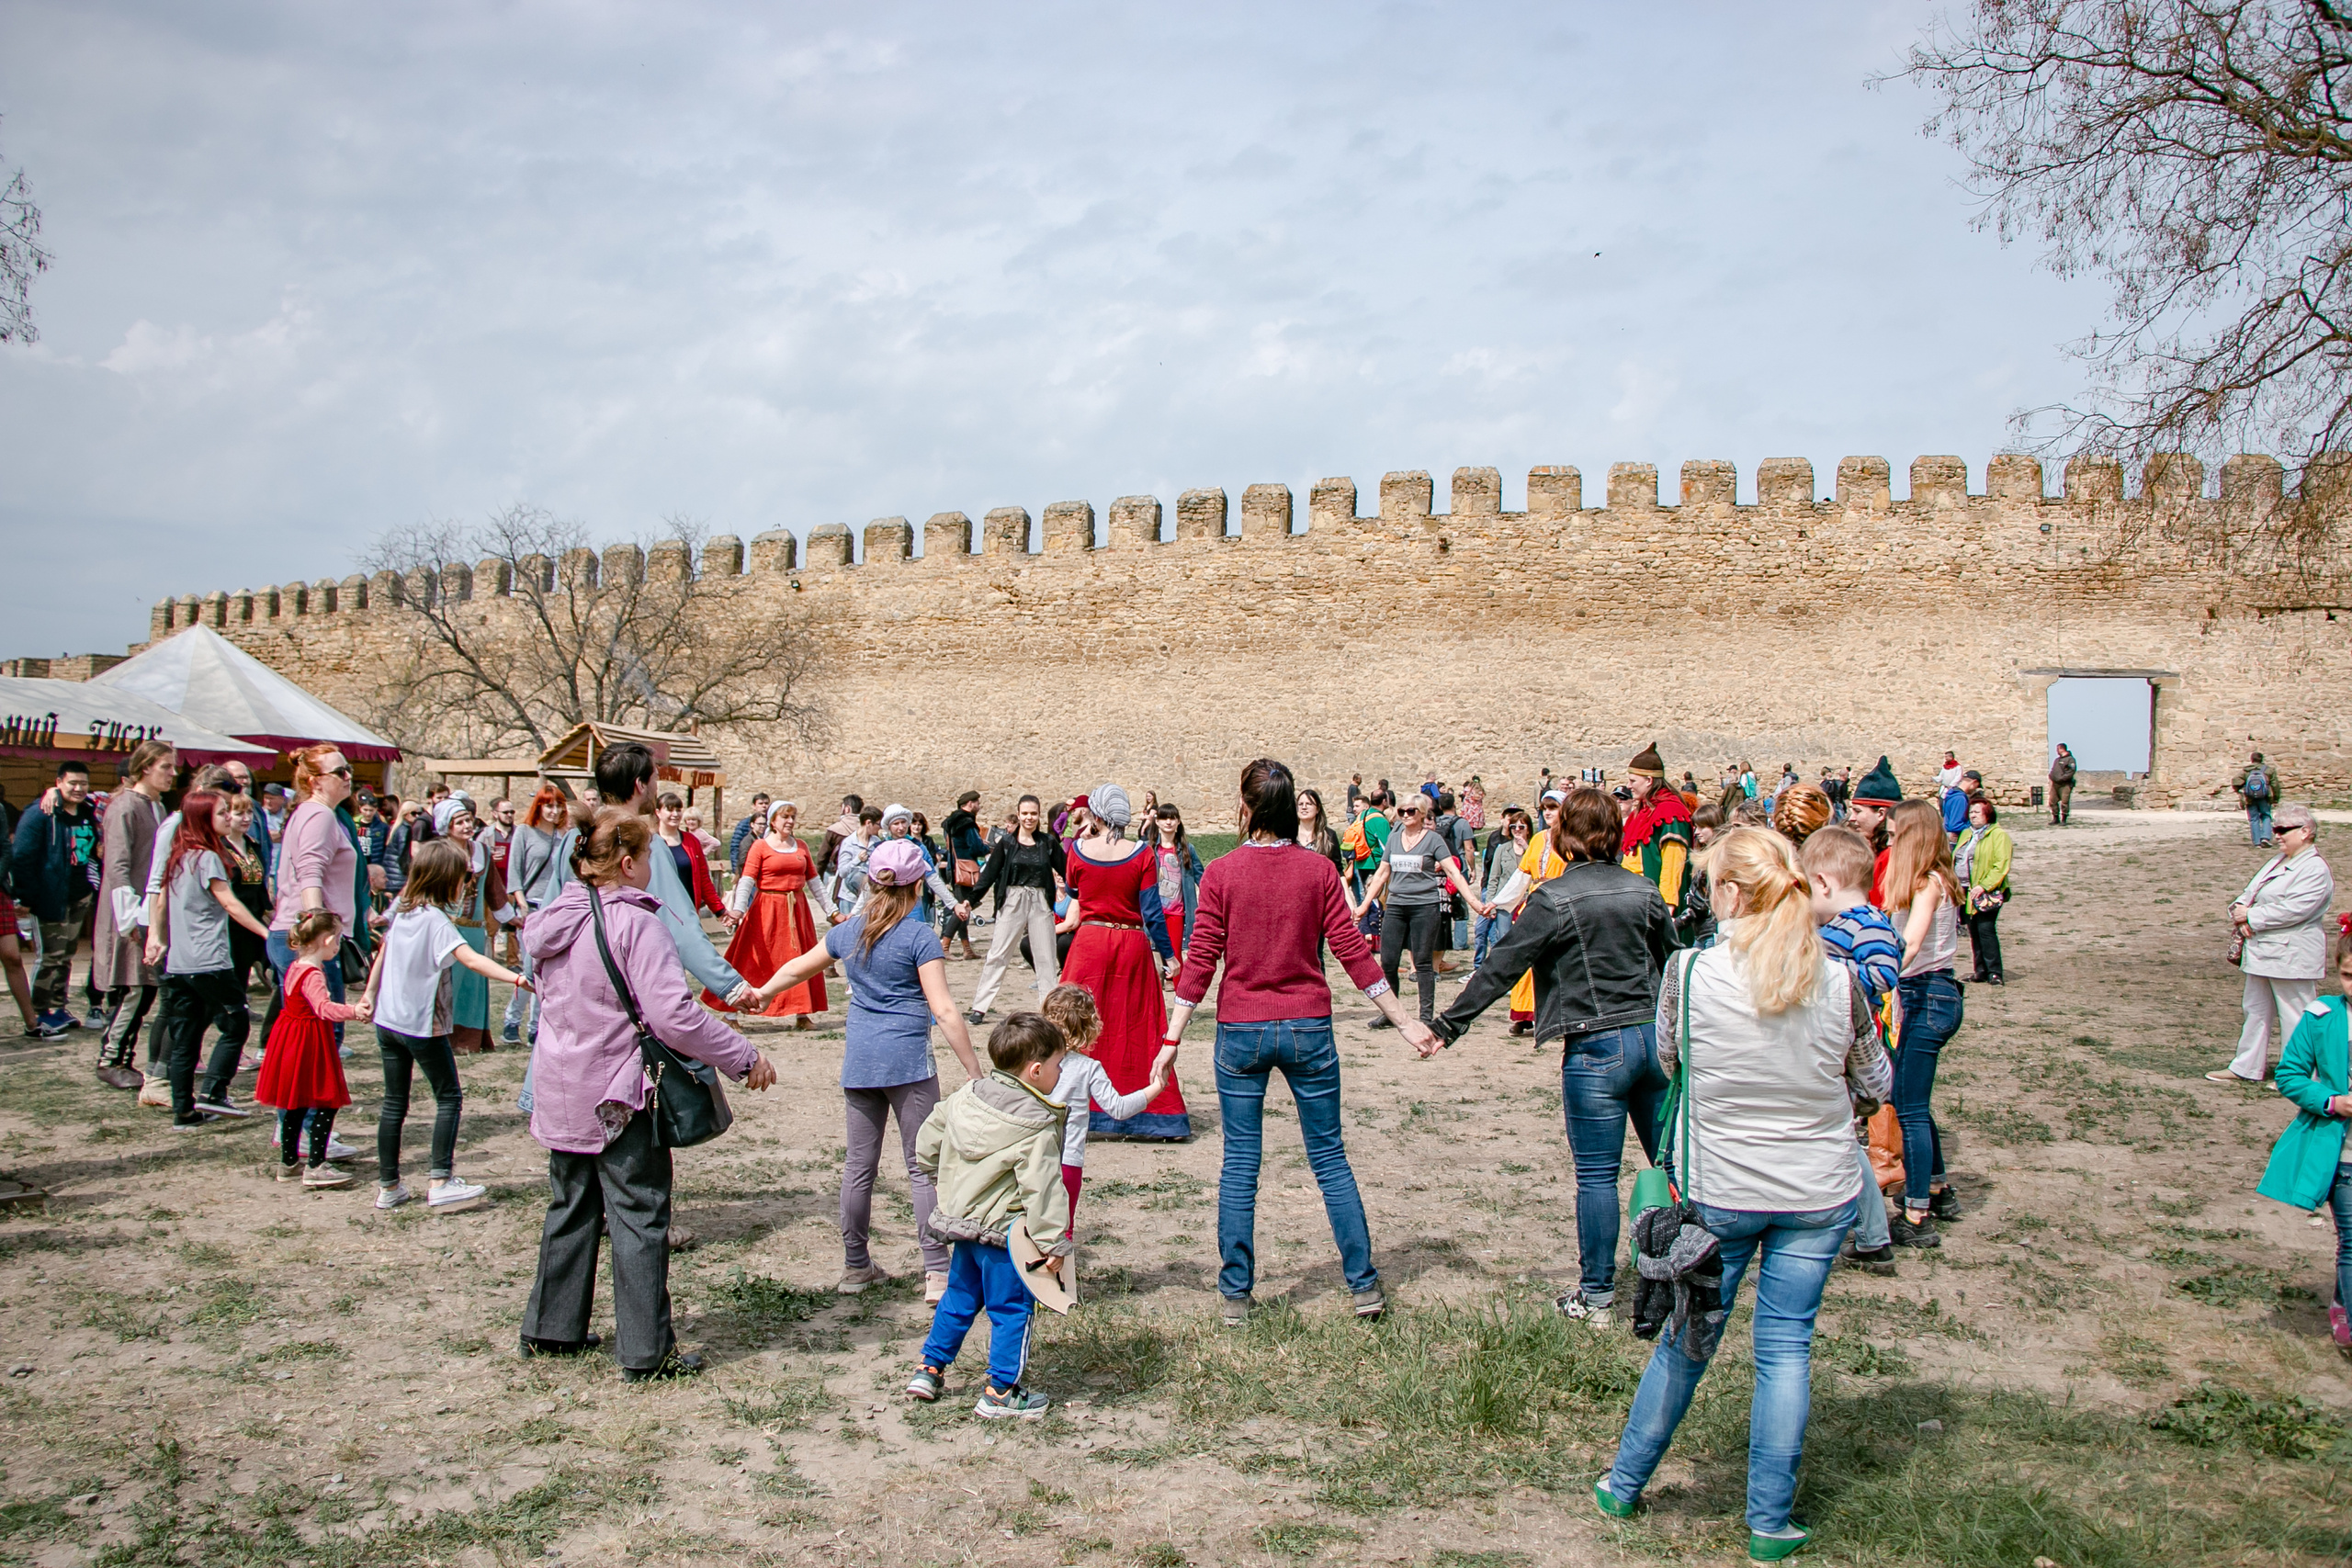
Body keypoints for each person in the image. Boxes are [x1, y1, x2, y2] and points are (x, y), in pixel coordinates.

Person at [1594, 828, 1892, 1562]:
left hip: (1722, 1183)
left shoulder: (1690, 974)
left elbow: (1671, 1058)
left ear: (1727, 894)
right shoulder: (1837, 977)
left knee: (1688, 1340)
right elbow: (1877, 1082)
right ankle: (1768, 1519)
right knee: (1785, 1350)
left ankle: (1624, 1480)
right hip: (1815, 1187)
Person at [1165, 759, 1440, 1325]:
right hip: (1308, 1028)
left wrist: (1172, 1035)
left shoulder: (1221, 873)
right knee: (1330, 1158)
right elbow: (1353, 954)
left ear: (1245, 809)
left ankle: (1237, 1294)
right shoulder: (1316, 872)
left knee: (1240, 1162)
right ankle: (1363, 1285)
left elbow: (1201, 962)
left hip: (1241, 1030)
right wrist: (1404, 1019)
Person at [520, 807, 775, 1382]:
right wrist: (742, 1054)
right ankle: (645, 1350)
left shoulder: (553, 918)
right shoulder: (636, 923)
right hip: (618, 1090)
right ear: (630, 861)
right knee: (638, 1213)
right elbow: (672, 1016)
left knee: (571, 1206)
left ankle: (550, 1329)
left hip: (561, 1084)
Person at [1432, 787, 1676, 1320]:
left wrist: (1450, 1024)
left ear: (1563, 837)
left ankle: (1597, 1295)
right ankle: (1688, 1275)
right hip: (1651, 1040)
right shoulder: (1645, 891)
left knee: (1597, 1177)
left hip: (1594, 1048)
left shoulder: (1553, 899)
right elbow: (1675, 965)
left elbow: (1502, 966)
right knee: (1674, 1167)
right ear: (1615, 832)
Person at [751, 838, 985, 1301]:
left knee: (858, 1168)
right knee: (922, 1169)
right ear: (917, 885)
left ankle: (855, 1265)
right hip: (908, 1066)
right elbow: (945, 1010)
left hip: (860, 1062)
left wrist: (761, 992)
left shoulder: (849, 931)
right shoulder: (918, 936)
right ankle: (937, 1272)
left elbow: (799, 967)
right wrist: (975, 1071)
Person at [904, 1011, 1074, 1420]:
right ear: (1035, 1070)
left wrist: (943, 1176)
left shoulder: (968, 1095)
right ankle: (1001, 1390)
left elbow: (926, 1143)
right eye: (1057, 1065)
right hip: (1005, 1237)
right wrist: (1053, 1242)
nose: (1061, 1071)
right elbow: (1044, 1189)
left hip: (963, 1228)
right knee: (1012, 1309)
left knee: (959, 1297)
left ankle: (929, 1368)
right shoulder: (1035, 1125)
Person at [364, 839, 526, 1212]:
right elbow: (470, 959)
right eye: (462, 879)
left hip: (388, 1023)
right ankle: (440, 1180)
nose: (466, 887)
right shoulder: (436, 921)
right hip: (422, 1026)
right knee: (449, 1098)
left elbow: (384, 953)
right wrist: (516, 979)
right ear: (445, 880)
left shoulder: (403, 911)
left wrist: (369, 996)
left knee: (394, 1103)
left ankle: (389, 1187)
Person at [1800, 826, 1903, 1275]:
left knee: (1840, 1140)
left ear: (1824, 883)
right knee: (1841, 1140)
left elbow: (1883, 971)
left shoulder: (1866, 922)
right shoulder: (1841, 925)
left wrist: (1832, 976)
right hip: (1835, 1042)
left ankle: (1866, 1233)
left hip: (1848, 1046)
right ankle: (1869, 1235)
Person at [1057, 784, 1183, 1138]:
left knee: (1076, 1022)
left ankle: (1070, 1104)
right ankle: (1151, 1109)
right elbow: (1152, 912)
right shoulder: (1142, 853)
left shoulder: (1078, 852)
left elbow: (1076, 894)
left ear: (1095, 814)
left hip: (1090, 942)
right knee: (1136, 1023)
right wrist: (1170, 955)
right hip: (1131, 944)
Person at [144, 789, 275, 1126]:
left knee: (186, 1035)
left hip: (179, 963)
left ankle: (183, 1110)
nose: (229, 818)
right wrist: (267, 935)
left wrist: (157, 939)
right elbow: (230, 903)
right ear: (203, 819)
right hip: (210, 961)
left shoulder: (178, 855)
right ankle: (214, 1092)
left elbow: (159, 900)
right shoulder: (207, 858)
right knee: (236, 1025)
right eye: (222, 813)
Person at [2256, 937, 2352, 1349]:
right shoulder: (2322, 1017)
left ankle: (2341, 1299)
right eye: (2349, 975)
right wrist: (2331, 1101)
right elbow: (2290, 1074)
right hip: (2343, 1153)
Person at [1883, 800, 1965, 1245]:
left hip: (1927, 994)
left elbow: (1911, 944)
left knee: (1908, 1105)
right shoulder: (1927, 881)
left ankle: (1916, 1215)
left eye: (1896, 836)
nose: (1891, 843)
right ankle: (1937, 1185)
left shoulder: (1929, 883)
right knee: (1913, 1097)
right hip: (1923, 994)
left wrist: (1875, 974)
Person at [2213, 803, 2334, 1085]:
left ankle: (2299, 1075)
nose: (2276, 835)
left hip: (2292, 952)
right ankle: (2246, 1066)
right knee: (2255, 1010)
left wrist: (2251, 917)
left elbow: (2297, 909)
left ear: (2305, 832)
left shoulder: (2315, 869)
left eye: (2282, 830)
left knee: (2296, 1013)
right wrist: (2240, 911)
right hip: (2262, 949)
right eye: (2275, 829)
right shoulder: (2278, 861)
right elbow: (2249, 892)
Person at [1038, 983, 1171, 1230]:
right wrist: (1156, 1087)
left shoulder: (1032, 1063)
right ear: (1088, 1027)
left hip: (1032, 1158)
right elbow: (1118, 1108)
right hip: (1067, 1161)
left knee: (1028, 1226)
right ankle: (1062, 1269)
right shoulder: (1088, 1068)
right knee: (1062, 1230)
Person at [256, 910, 372, 1187]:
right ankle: (316, 1165)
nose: (338, 946)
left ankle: (288, 1163)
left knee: (294, 1102)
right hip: (308, 1040)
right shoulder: (313, 974)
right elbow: (323, 1008)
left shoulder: (297, 965)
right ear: (328, 939)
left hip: (290, 1037)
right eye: (338, 940)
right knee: (325, 1100)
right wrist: (354, 1011)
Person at [1350, 794, 1485, 1029]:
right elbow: (1382, 873)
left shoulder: (1433, 840)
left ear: (1422, 813)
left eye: (1410, 811)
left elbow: (1453, 872)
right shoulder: (1394, 839)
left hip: (1425, 906)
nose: (1405, 815)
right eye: (1401, 811)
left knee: (1422, 963)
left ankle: (1425, 1016)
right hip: (1396, 906)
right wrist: (1363, 905)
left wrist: (1474, 903)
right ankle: (1392, 1014)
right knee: (1389, 961)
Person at [261, 745, 361, 1050]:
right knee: (322, 1038)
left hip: (295, 935)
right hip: (311, 938)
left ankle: (299, 1096)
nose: (348, 777)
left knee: (307, 1036)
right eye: (339, 772)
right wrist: (317, 934)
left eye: (349, 770)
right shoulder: (319, 815)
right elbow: (310, 872)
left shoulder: (313, 812)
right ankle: (309, 1098)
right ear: (315, 781)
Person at [93, 739, 175, 1089]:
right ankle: (110, 1059)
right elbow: (118, 865)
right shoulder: (125, 806)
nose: (173, 774)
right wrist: (131, 917)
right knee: (134, 988)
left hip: (149, 909)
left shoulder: (155, 806)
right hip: (128, 911)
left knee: (145, 989)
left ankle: (123, 1057)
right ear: (145, 768)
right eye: (166, 767)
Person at [712, 800, 827, 1027]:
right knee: (752, 959)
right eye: (785, 817)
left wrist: (831, 912)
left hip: (797, 911)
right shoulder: (761, 846)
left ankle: (802, 1013)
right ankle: (731, 1013)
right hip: (766, 910)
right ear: (774, 821)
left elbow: (814, 882)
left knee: (800, 961)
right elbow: (747, 880)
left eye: (793, 817)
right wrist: (738, 909)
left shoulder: (801, 846)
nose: (790, 821)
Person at [10, 761, 96, 1041]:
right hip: (50, 897)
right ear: (59, 782)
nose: (79, 788)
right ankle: (39, 1013)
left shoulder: (88, 810)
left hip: (79, 894)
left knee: (67, 956)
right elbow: (21, 856)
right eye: (72, 782)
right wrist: (28, 895)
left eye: (83, 783)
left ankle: (58, 1008)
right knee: (50, 957)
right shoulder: (41, 813)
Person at [965, 795, 1067, 1024]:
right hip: (1013, 899)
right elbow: (989, 873)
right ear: (1019, 815)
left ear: (1038, 815)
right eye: (1025, 813)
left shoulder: (1048, 844)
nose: (1029, 818)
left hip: (1040, 900)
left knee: (1046, 957)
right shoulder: (1008, 843)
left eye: (1033, 813)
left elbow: (1069, 870)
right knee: (998, 953)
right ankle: (980, 1006)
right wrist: (972, 899)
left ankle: (1048, 1009)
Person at [1488, 792, 1572, 1036]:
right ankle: (1524, 1014)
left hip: (1561, 902)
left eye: (1553, 808)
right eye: (1545, 808)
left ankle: (1558, 1017)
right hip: (1535, 902)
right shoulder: (1537, 840)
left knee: (1559, 962)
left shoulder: (1573, 839)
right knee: (1525, 960)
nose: (1548, 813)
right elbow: (1522, 876)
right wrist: (1498, 901)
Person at [439, 804, 518, 1054]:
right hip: (445, 930)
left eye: (468, 820)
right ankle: (442, 1038)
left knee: (471, 987)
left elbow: (494, 890)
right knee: (446, 985)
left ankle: (468, 1040)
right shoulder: (439, 852)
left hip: (474, 931)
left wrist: (510, 917)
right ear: (447, 826)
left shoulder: (482, 852)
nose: (466, 826)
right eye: (459, 822)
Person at [503, 785, 570, 1044]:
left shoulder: (564, 836)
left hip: (556, 907)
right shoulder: (524, 832)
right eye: (549, 805)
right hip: (531, 906)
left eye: (559, 805)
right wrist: (521, 905)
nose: (554, 811)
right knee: (529, 967)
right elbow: (514, 875)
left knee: (547, 971)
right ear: (539, 807)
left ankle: (536, 1026)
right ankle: (511, 1020)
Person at [1621, 743, 1696, 914]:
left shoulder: (1671, 813)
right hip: (1635, 899)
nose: (1629, 786)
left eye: (1633, 781)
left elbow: (1673, 863)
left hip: (1655, 905)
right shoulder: (1642, 810)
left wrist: (1666, 907)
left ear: (1649, 780)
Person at [1954, 798, 2012, 985]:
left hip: (1986, 892)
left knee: (1986, 930)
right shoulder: (1965, 834)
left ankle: (1994, 972)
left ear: (1988, 814)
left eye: (1977, 812)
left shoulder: (1998, 835)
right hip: (1965, 891)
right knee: (1973, 931)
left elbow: (2000, 865)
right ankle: (1980, 970)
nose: (1972, 815)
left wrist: (1984, 886)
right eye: (1971, 812)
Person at [1144, 803, 1204, 965]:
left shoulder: (1187, 850)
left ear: (1178, 822)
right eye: (1164, 818)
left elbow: (1202, 879)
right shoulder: (1147, 849)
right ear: (1157, 822)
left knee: (1176, 958)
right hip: (1153, 912)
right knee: (1152, 960)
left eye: (1172, 818)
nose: (1168, 822)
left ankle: (1179, 990)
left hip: (1177, 913)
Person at [1474, 806, 1532, 965]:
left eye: (1521, 827)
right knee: (1504, 938)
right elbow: (1494, 878)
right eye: (1513, 827)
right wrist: (1490, 904)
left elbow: (1536, 871)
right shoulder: (1502, 849)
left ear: (1528, 829)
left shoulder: (1533, 849)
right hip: (1505, 902)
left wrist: (1527, 849)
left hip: (1527, 901)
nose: (1517, 830)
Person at [654, 793, 725, 920]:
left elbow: (704, 880)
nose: (675, 814)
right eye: (669, 810)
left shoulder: (691, 842)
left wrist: (719, 910)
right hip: (659, 914)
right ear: (658, 812)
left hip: (688, 913)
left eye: (678, 810)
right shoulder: (649, 843)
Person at [1845, 757, 1903, 905]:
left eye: (1858, 811)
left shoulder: (1890, 855)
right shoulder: (1874, 849)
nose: (1852, 818)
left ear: (1881, 814)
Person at [941, 791, 989, 961]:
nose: (979, 806)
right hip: (965, 869)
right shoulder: (966, 823)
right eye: (977, 802)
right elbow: (975, 847)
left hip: (954, 868)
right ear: (970, 803)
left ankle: (966, 948)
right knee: (963, 909)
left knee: (962, 908)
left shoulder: (951, 822)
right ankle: (944, 945)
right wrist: (987, 848)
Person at [1296, 787, 1346, 878]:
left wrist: (1345, 891)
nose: (1304, 807)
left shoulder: (1329, 836)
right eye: (1300, 804)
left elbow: (1337, 869)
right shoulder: (1289, 834)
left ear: (1318, 809)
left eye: (1309, 804)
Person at [2235, 750, 2280, 847]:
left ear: (2252, 760)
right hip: (2265, 797)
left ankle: (2256, 842)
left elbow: (2235, 782)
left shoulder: (2246, 771)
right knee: (2266, 816)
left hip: (2250, 798)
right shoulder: (2268, 770)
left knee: (2253, 819)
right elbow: (2275, 785)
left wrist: (2241, 791)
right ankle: (2265, 838)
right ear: (2262, 759)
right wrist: (2276, 798)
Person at [729, 793, 772, 874]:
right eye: (760, 803)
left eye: (766, 803)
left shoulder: (773, 824)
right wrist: (736, 870)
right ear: (754, 806)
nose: (764, 806)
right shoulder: (744, 825)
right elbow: (735, 847)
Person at [2048, 743, 2077, 826]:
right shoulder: (2057, 760)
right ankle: (2055, 818)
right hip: (2055, 784)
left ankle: (2064, 819)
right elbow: (2053, 770)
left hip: (2065, 784)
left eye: (2058, 749)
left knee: (2064, 802)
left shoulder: (2070, 760)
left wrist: (2063, 778)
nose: (2057, 751)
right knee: (2052, 801)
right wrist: (2051, 776)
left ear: (2062, 749)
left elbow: (2071, 771)